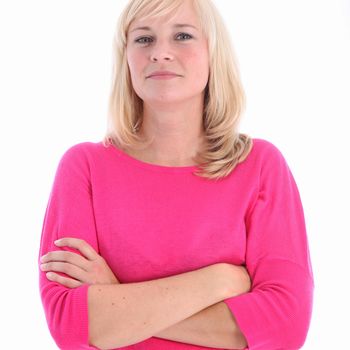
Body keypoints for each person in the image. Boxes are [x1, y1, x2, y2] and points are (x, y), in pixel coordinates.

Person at [38, 0, 314, 349]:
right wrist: (218, 281)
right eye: (143, 39)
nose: (160, 53)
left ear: (214, 54)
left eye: (182, 35)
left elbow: (285, 328)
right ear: (126, 58)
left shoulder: (259, 164)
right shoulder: (85, 166)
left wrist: (116, 297)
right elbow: (70, 323)